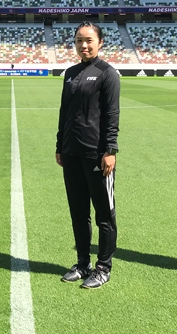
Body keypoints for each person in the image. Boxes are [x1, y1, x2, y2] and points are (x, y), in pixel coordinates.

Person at [55, 21, 120, 289]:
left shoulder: (107, 73)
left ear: (99, 43)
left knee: (104, 213)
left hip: (97, 155)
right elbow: (64, 112)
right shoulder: (70, 73)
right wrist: (60, 145)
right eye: (79, 40)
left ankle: (103, 267)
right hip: (71, 153)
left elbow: (112, 115)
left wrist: (110, 150)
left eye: (89, 40)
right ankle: (83, 264)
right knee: (78, 212)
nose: (84, 45)